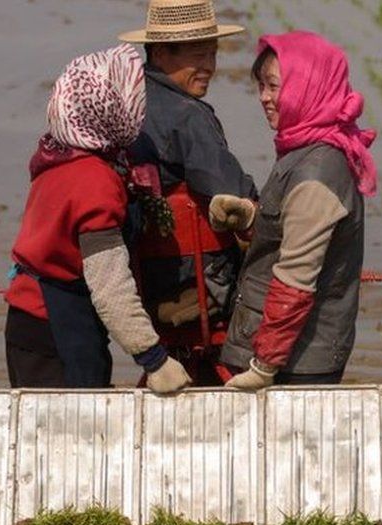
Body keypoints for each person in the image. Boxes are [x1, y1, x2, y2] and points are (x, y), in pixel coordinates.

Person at [3, 44, 191, 394]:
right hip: (57, 328)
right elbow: (109, 284)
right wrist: (154, 359)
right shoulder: (95, 182)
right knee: (71, 437)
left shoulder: (56, 153)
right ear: (112, 107)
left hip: (29, 320)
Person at [215, 30, 378, 389]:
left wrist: (263, 366)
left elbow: (296, 278)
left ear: (308, 86)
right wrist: (250, 218)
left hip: (298, 363)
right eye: (261, 86)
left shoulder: (318, 171)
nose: (265, 98)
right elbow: (292, 230)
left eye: (274, 86)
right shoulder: (304, 147)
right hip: (288, 351)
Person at [118, 0, 258, 385]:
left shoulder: (125, 106)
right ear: (161, 52)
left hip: (142, 280)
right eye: (199, 55)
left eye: (213, 54)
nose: (210, 66)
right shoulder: (188, 116)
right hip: (195, 283)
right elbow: (234, 191)